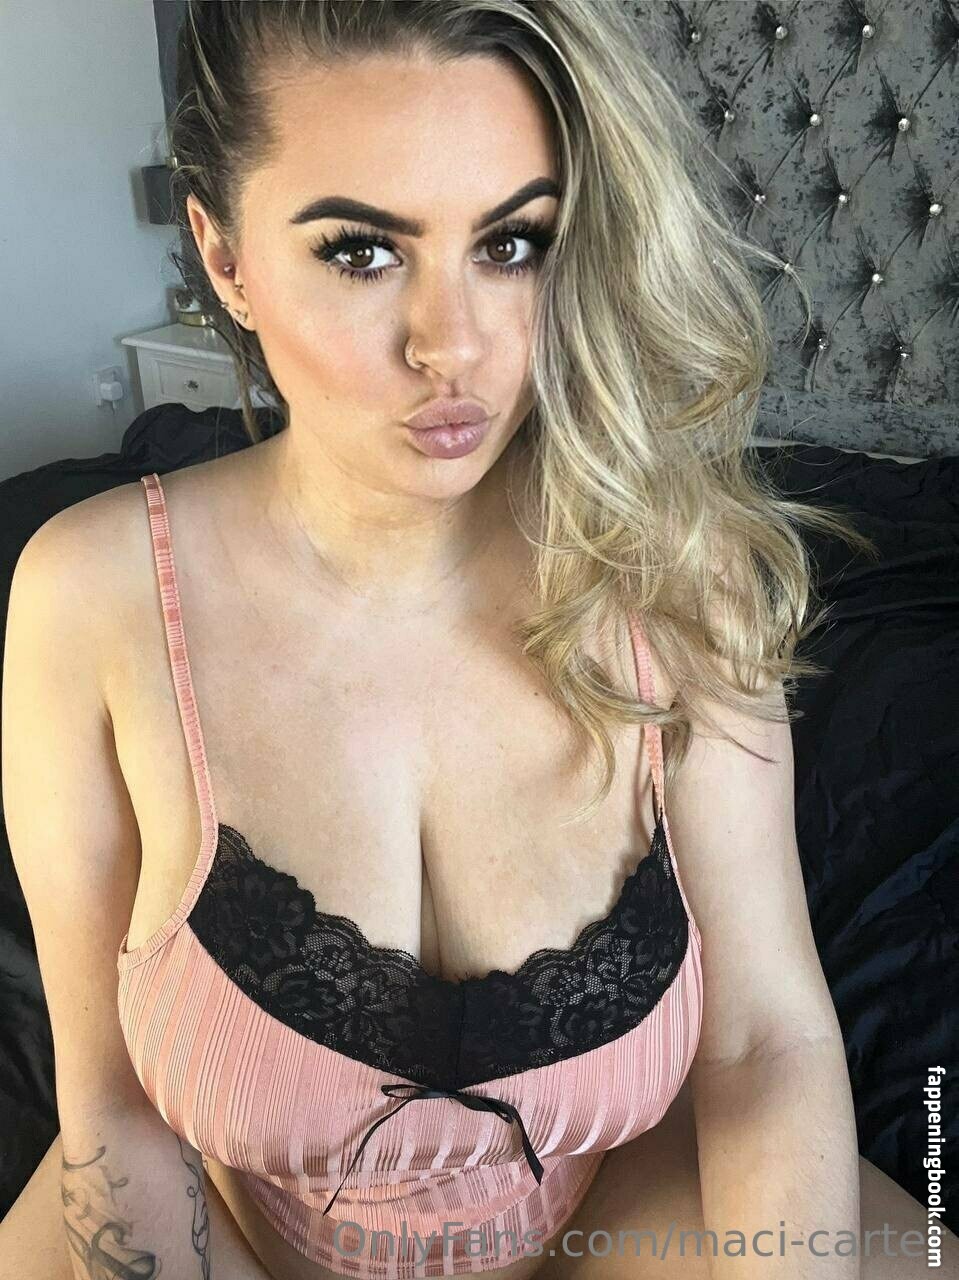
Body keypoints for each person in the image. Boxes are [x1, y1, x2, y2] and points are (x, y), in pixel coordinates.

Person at [3, 2, 956, 1278]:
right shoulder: (91, 590)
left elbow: (762, 1043)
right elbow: (111, 1100)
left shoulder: (681, 579)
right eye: (359, 251)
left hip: (608, 1215)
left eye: (511, 242)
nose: (450, 344)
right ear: (222, 255)